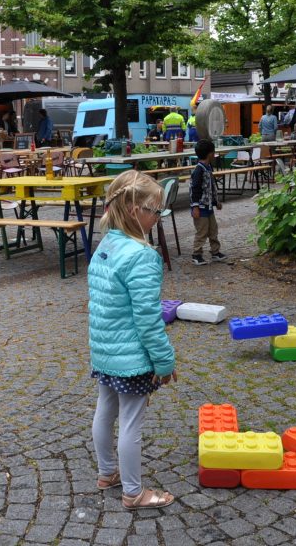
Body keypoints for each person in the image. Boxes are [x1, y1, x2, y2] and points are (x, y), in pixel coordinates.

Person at [88, 171, 177, 510]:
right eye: (155, 211)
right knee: (131, 423)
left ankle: (106, 473)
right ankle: (133, 492)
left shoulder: (107, 244)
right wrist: (164, 363)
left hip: (106, 351)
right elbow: (148, 320)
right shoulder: (142, 256)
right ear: (134, 210)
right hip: (132, 358)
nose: (158, 217)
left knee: (105, 410)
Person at [189, 139, 225, 265]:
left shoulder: (208, 167)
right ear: (210, 154)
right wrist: (195, 207)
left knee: (213, 230)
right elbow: (195, 189)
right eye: (213, 152)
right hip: (201, 208)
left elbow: (210, 187)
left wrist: (216, 202)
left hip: (209, 207)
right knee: (202, 231)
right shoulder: (199, 170)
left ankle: (215, 252)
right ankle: (196, 254)